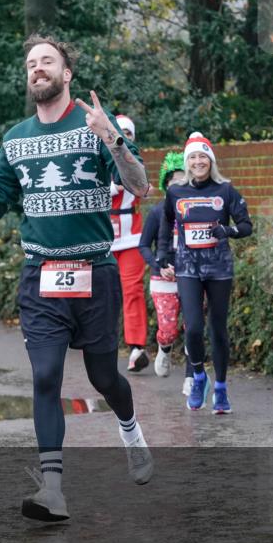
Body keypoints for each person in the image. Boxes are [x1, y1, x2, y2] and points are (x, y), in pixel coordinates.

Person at [0, 34, 154, 522]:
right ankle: (53, 490)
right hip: (41, 276)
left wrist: (111, 137)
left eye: (47, 61)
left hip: (95, 272)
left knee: (102, 376)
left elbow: (140, 186)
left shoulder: (94, 125)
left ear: (66, 73)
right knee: (46, 376)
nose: (37, 69)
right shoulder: (17, 138)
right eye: (31, 63)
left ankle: (131, 431)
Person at [159, 133, 252, 414]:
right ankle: (199, 377)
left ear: (211, 161)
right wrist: (163, 255)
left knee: (217, 330)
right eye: (193, 157)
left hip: (218, 267)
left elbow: (246, 225)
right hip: (188, 268)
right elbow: (166, 223)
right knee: (194, 327)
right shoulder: (176, 192)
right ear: (187, 162)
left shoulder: (225, 190)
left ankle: (221, 388)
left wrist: (228, 231)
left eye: (203, 157)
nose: (198, 162)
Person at [139, 152, 193, 394]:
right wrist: (159, 265)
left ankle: (192, 377)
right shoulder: (157, 212)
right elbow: (143, 246)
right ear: (166, 184)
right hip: (164, 279)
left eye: (184, 181)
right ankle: (165, 347)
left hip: (192, 276)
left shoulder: (196, 210)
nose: (179, 185)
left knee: (193, 327)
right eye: (174, 181)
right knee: (169, 329)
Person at [110, 115, 150, 372]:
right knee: (97, 294)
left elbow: (143, 187)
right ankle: (92, 342)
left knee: (132, 290)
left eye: (128, 133)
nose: (123, 136)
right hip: (100, 238)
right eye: (119, 132)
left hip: (131, 237)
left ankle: (137, 347)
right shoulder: (96, 158)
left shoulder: (135, 161)